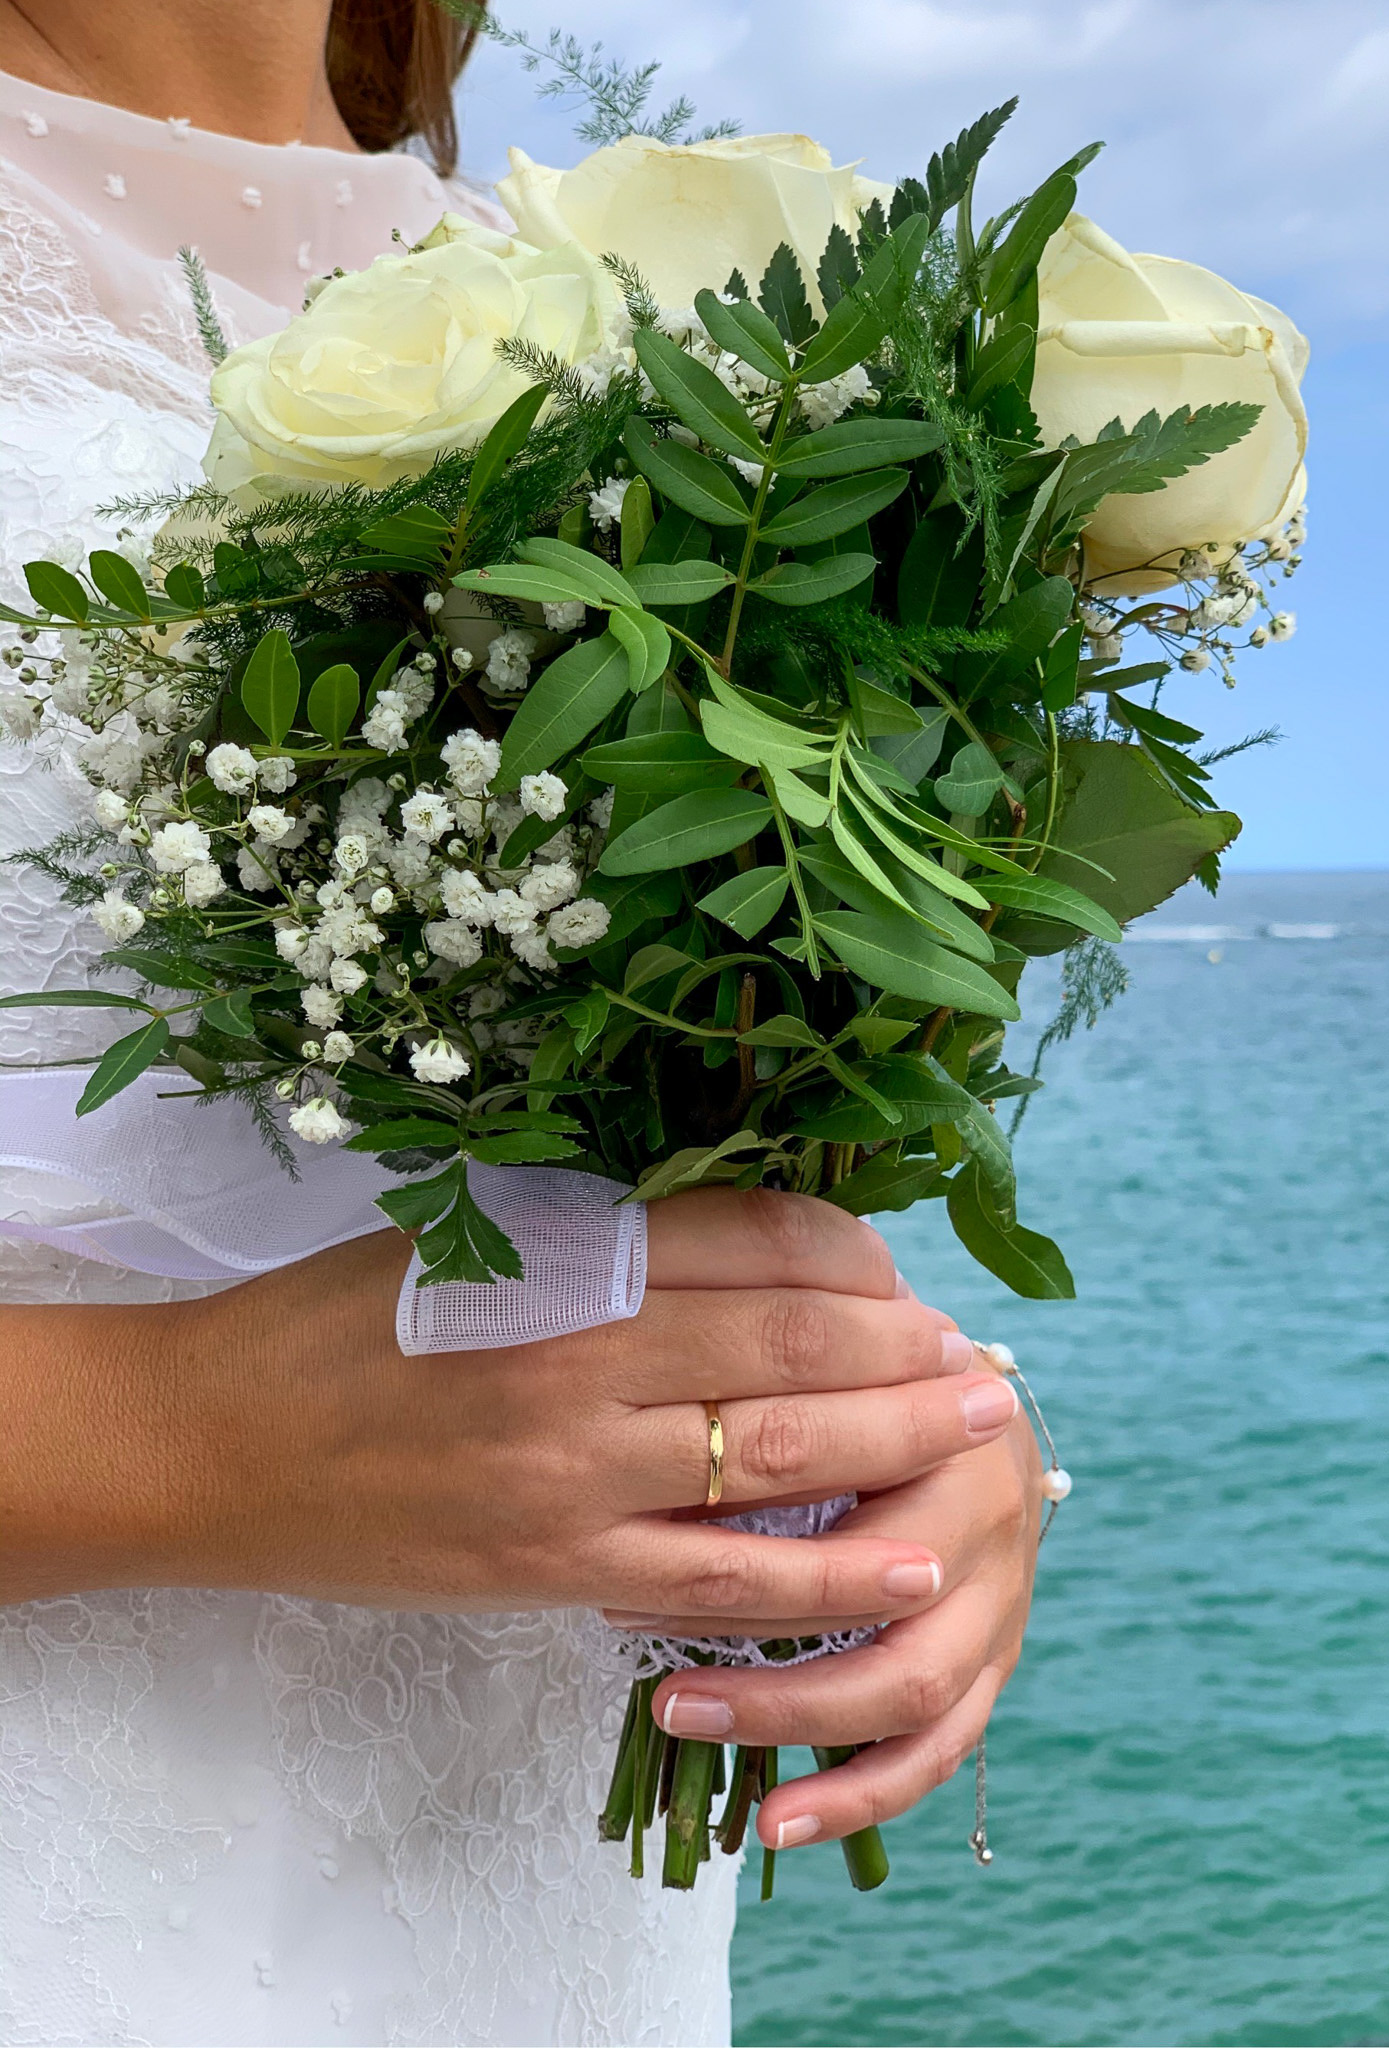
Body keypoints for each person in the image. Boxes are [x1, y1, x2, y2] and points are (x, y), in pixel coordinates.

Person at [0, 4, 1041, 2041]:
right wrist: (187, 1440)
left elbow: (700, 1107)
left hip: (552, 1932)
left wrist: (917, 1445)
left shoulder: (615, 308)